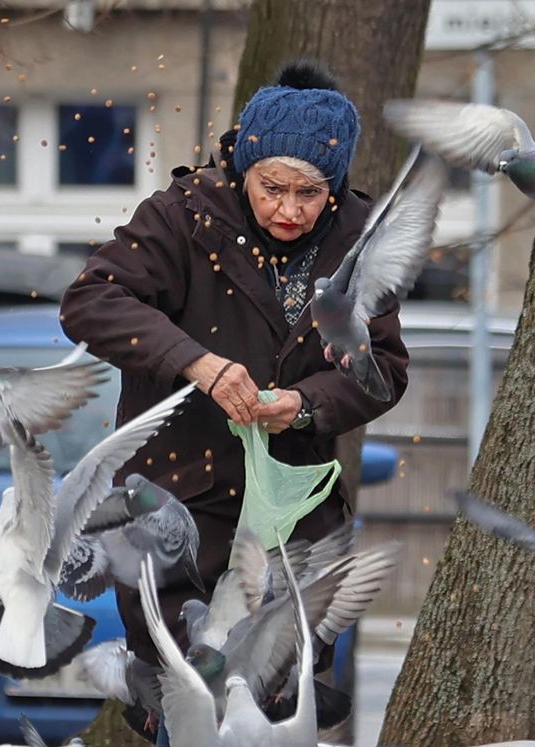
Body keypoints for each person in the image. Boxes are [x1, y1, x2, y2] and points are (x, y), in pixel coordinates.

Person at [61, 60, 409, 666]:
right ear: (244, 167)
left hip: (292, 519)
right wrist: (199, 364)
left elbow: (382, 366)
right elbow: (91, 301)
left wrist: (307, 406)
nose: (291, 210)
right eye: (272, 188)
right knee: (187, 694)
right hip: (175, 507)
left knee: (278, 704)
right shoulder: (181, 215)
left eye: (310, 193)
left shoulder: (360, 233)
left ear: (335, 184)